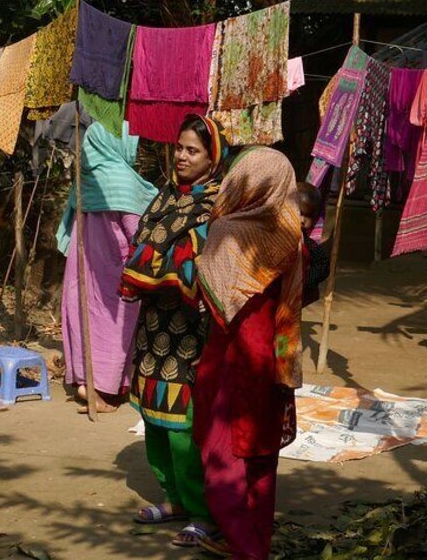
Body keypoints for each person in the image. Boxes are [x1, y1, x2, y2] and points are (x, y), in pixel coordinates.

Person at [120, 115, 228, 547]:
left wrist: (167, 267)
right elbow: (143, 245)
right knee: (154, 417)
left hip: (189, 331)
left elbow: (207, 260)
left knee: (184, 426)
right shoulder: (165, 196)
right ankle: (174, 499)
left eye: (193, 151)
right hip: (153, 326)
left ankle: (203, 510)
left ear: (212, 156)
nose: (182, 157)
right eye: (180, 148)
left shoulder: (219, 204)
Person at [194, 147, 304, 559]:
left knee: (221, 456)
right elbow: (291, 303)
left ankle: (247, 549)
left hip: (230, 357)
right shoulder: (290, 233)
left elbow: (206, 297)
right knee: (261, 457)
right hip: (273, 356)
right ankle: (257, 542)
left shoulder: (226, 232)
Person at [56, 120, 157, 412]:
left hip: (82, 271)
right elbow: (135, 232)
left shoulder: (85, 178)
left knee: (84, 319)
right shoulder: (121, 179)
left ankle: (84, 381)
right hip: (115, 273)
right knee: (113, 327)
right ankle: (103, 391)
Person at [297, 181, 330, 307]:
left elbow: (323, 264)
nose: (302, 220)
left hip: (297, 295)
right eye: (299, 212)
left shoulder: (308, 243)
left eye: (308, 216)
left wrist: (305, 281)